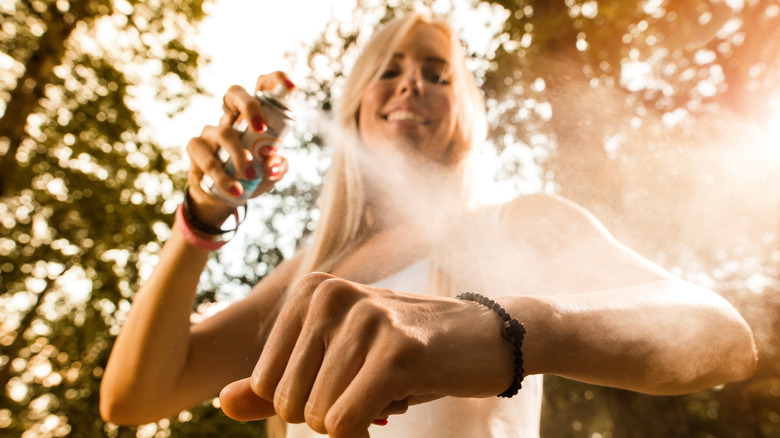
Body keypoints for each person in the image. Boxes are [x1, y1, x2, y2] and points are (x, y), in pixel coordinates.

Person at [100, 9, 758, 438]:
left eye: (437, 75)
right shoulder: (312, 271)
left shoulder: (518, 224)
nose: (411, 84)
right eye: (388, 70)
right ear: (355, 106)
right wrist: (203, 218)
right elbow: (133, 397)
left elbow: (722, 338)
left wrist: (504, 329)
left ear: (464, 115)